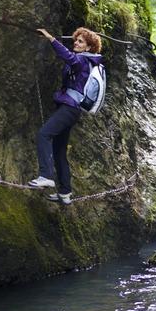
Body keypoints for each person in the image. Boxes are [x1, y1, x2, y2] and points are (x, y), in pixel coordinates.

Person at [28, 27, 103, 204]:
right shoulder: (84, 61)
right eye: (76, 40)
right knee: (59, 150)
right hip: (70, 108)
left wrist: (51, 38)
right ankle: (65, 193)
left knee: (44, 134)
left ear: (88, 47)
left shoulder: (83, 61)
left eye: (81, 41)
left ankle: (45, 176)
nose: (76, 43)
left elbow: (69, 57)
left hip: (70, 109)